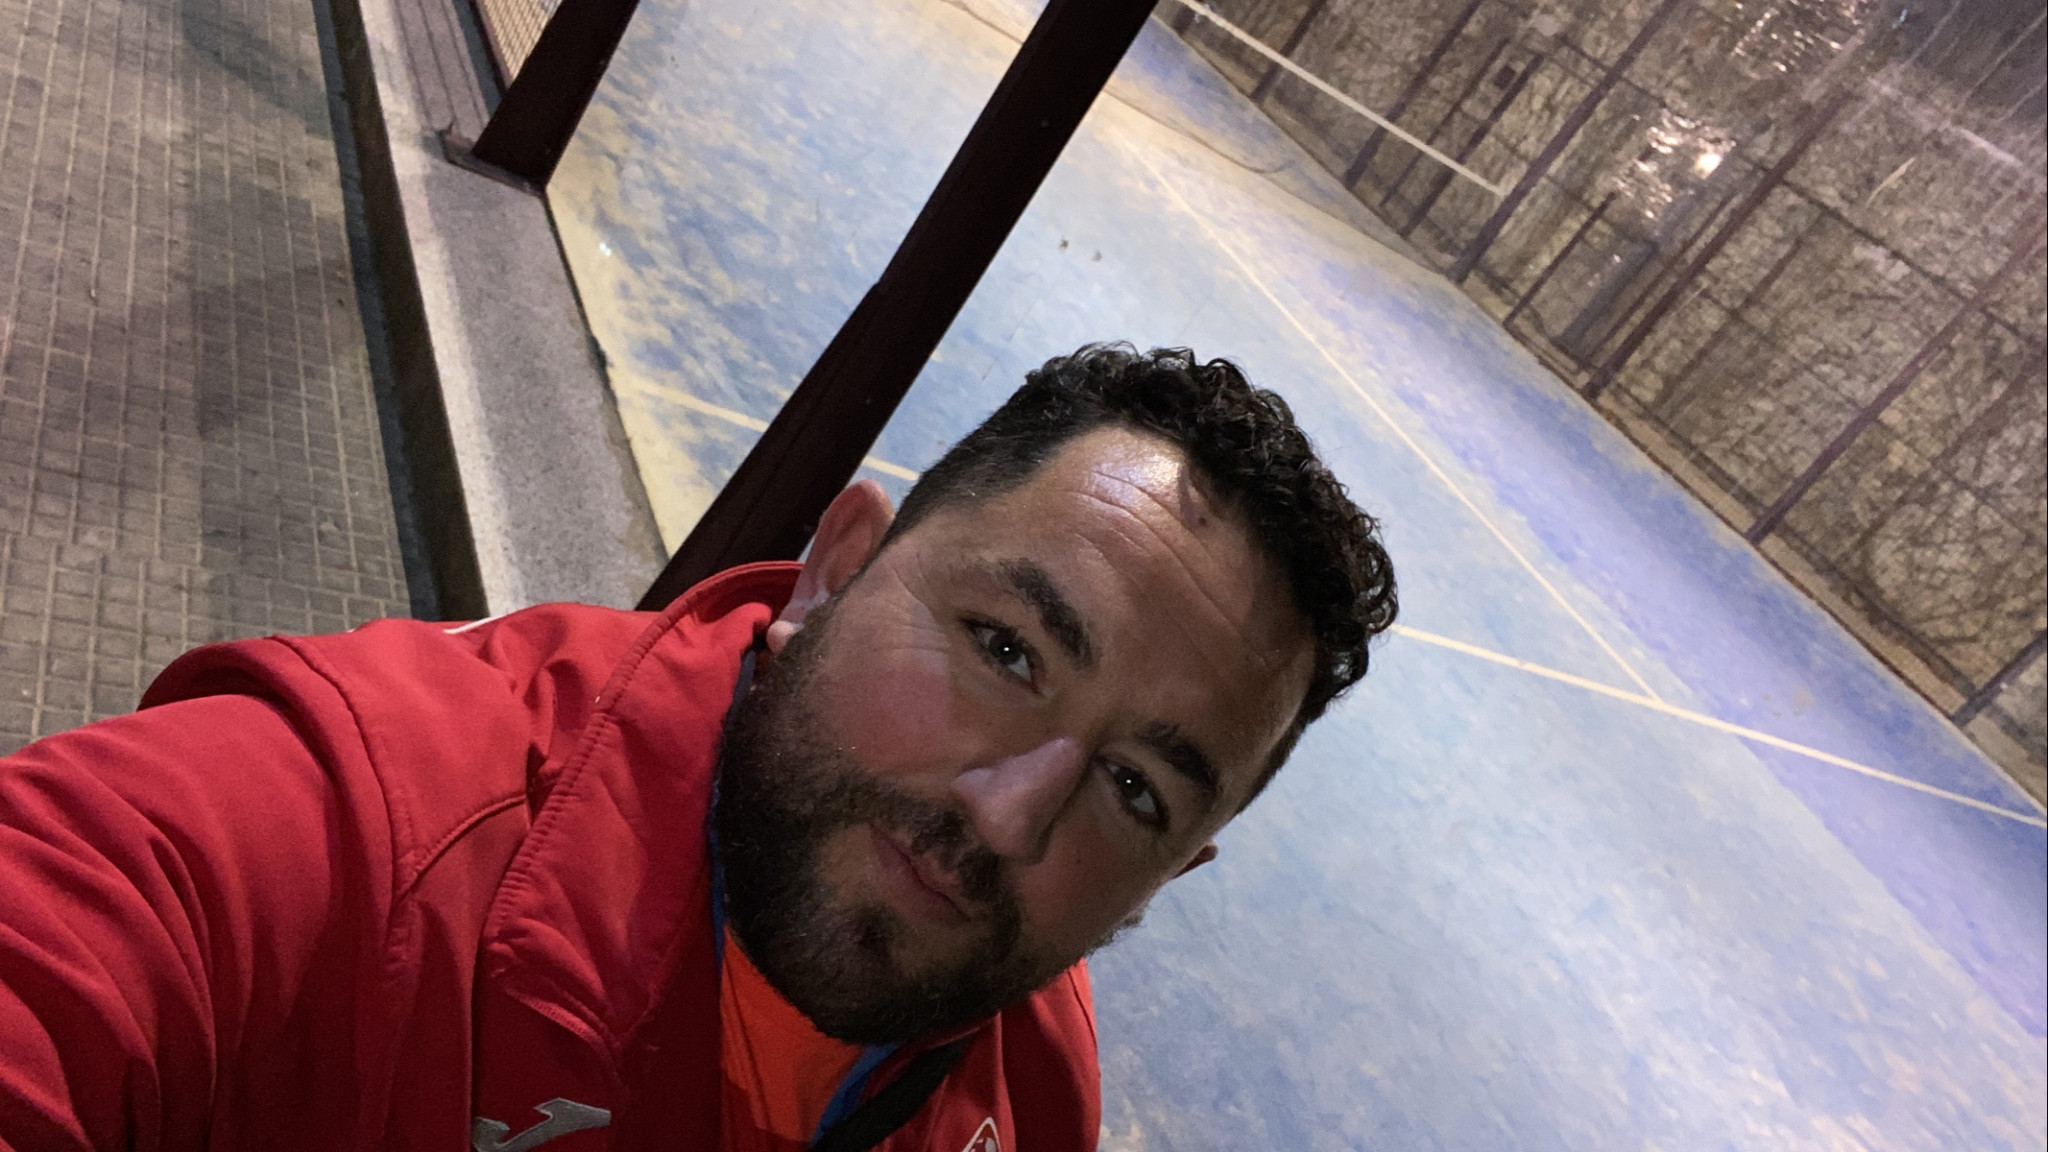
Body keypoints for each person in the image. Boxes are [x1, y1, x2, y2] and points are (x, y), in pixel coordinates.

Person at [0, 344, 1396, 1152]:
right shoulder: (356, 824)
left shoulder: (1029, 1083)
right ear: (835, 572)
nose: (1013, 815)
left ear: (1168, 878)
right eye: (1007, 650)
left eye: (1134, 790)